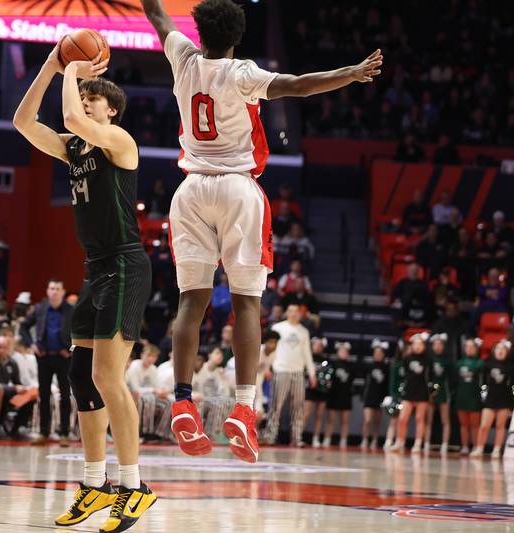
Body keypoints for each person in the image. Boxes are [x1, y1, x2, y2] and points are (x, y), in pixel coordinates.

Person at [140, 0, 382, 463]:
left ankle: (183, 401)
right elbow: (299, 85)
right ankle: (244, 410)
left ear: (200, 31)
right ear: (236, 37)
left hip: (189, 189)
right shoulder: (242, 71)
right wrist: (349, 73)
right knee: (248, 303)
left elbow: (156, 13)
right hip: (237, 188)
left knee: (192, 301)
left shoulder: (183, 58)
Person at [13, 40, 155, 531]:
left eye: (93, 98)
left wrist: (71, 71)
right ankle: (96, 484)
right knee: (80, 377)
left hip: (126, 266)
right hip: (96, 270)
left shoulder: (121, 142)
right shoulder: (74, 148)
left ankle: (133, 487)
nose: (84, 101)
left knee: (109, 379)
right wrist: (51, 68)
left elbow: (73, 119)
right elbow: (23, 123)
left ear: (110, 111)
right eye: (84, 95)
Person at [17, 278, 75, 446]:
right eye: (51, 288)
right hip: (44, 356)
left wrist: (71, 348)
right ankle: (43, 432)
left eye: (57, 288)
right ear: (47, 291)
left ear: (63, 292)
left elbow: (83, 330)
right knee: (44, 395)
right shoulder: (40, 308)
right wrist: (31, 344)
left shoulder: (71, 310)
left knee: (65, 395)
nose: (54, 291)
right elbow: (23, 327)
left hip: (64, 357)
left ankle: (64, 433)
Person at [262, 305, 317, 447]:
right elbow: (270, 349)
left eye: (296, 312)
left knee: (298, 407)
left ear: (300, 314)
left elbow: (307, 354)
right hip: (281, 370)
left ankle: (297, 437)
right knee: (275, 405)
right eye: (291, 311)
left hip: (298, 372)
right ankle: (270, 436)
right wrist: (267, 367)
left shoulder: (303, 331)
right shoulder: (278, 328)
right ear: (286, 312)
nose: (293, 314)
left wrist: (312, 373)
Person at [0, 335, 36, 438]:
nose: (1, 350)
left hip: (7, 391)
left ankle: (17, 428)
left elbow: (17, 382)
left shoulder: (12, 362)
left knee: (29, 397)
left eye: (4, 347)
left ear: (8, 348)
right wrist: (15, 388)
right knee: (3, 393)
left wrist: (23, 389)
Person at [470, 340, 513, 458]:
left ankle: (496, 449)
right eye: (498, 349)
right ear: (494, 351)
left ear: (507, 352)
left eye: (503, 349)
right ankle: (479, 448)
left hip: (504, 400)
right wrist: (483, 396)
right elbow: (482, 383)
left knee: (500, 426)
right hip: (490, 399)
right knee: (484, 426)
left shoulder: (510, 368)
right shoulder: (487, 364)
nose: (500, 351)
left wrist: (511, 402)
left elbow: (512, 386)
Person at [391, 333, 431, 453]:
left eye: (420, 344)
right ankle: (399, 442)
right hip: (409, 391)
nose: (418, 346)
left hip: (422, 392)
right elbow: (404, 376)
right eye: (415, 344)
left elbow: (430, 377)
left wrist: (431, 392)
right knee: (402, 418)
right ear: (412, 345)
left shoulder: (428, 360)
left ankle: (418, 443)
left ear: (424, 346)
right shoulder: (407, 359)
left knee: (420, 418)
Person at [323, 342, 355, 448]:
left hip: (346, 395)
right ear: (337, 352)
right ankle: (327, 439)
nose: (343, 353)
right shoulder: (332, 364)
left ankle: (343, 440)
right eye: (341, 351)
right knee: (330, 419)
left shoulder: (351, 366)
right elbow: (327, 379)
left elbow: (352, 382)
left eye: (345, 351)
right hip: (334, 394)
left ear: (348, 353)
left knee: (345, 420)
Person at [455, 338, 484, 454]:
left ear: (477, 348)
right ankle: (465, 446)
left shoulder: (480, 363)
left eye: (472, 347)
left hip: (474, 396)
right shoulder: (459, 363)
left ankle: (476, 446)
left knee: (474, 425)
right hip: (462, 396)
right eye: (467, 346)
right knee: (463, 424)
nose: (469, 349)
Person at [361, 340, 390, 451]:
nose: (377, 355)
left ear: (383, 355)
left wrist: (386, 397)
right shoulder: (369, 366)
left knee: (377, 421)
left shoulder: (386, 368)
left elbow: (387, 384)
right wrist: (362, 395)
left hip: (380, 397)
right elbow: (365, 382)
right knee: (367, 420)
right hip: (369, 396)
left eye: (380, 353)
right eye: (376, 353)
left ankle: (375, 440)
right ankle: (364, 439)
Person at [426, 334, 452, 454]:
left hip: (443, 392)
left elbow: (452, 379)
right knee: (428, 419)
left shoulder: (448, 360)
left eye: (440, 344)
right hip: (430, 391)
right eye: (435, 344)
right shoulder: (428, 359)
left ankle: (445, 444)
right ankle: (425, 443)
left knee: (445, 419)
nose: (437, 346)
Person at [305, 337, 329, 448]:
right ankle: (298, 436)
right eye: (316, 345)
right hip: (309, 389)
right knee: (306, 414)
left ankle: (316, 438)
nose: (318, 347)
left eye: (320, 346)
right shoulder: (307, 357)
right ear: (312, 346)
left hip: (322, 390)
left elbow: (328, 374)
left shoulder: (325, 360)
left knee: (319, 416)